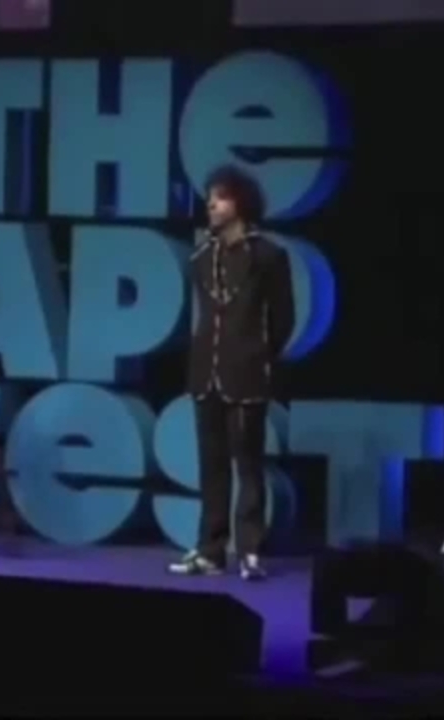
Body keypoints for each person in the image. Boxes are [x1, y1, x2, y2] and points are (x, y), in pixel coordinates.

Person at [168, 165, 295, 581]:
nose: (211, 204)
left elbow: (283, 318)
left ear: (240, 203)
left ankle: (250, 551)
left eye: (220, 197)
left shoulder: (269, 256)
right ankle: (210, 551)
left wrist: (260, 355)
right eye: (210, 198)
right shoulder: (201, 258)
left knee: (249, 465)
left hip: (248, 373)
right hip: (206, 372)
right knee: (212, 467)